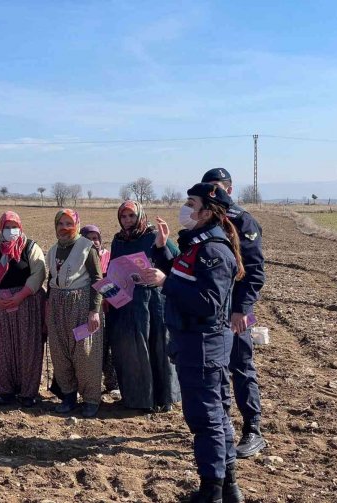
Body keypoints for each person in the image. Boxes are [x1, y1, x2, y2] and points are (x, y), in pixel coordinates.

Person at [140, 183, 245, 502]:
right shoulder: (198, 245)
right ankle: (228, 488)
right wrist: (161, 248)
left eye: (190, 203)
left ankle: (211, 490)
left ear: (207, 212)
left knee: (206, 419)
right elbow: (183, 275)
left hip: (203, 345)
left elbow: (208, 302)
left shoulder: (213, 249)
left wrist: (165, 283)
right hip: (197, 343)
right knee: (216, 415)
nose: (184, 207)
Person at [202, 168, 266, 458]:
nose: (214, 193)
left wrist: (243, 309)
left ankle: (253, 430)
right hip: (213, 309)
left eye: (218, 187)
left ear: (230, 188)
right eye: (209, 188)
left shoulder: (243, 221)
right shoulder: (205, 222)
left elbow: (254, 273)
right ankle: (223, 423)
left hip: (240, 310)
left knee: (242, 366)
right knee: (216, 368)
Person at [106, 201, 181, 412]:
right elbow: (113, 266)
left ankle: (164, 398)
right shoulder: (118, 240)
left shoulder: (151, 235)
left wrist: (163, 246)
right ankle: (139, 399)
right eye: (124, 216)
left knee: (158, 346)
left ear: (140, 216)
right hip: (127, 301)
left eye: (131, 216)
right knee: (132, 351)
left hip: (153, 300)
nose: (128, 220)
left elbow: (175, 261)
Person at [0, 211, 46, 407]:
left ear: (21, 227)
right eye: (6, 227)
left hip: (27, 302)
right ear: (1, 229)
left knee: (28, 347)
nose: (11, 231)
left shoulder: (31, 247)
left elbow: (38, 272)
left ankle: (28, 392)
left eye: (14, 226)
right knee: (2, 348)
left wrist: (21, 294)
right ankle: (6, 391)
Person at [46, 209, 103, 418]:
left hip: (81, 306)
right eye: (61, 223)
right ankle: (68, 396)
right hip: (57, 306)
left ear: (76, 225)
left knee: (85, 354)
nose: (64, 227)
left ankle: (90, 399)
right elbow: (51, 279)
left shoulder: (87, 248)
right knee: (60, 353)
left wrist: (94, 311)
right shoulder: (52, 250)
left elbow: (98, 280)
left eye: (69, 223)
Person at [79, 224, 117, 394]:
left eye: (95, 238)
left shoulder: (109, 257)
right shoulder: (78, 260)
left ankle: (112, 384)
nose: (93, 242)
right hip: (85, 310)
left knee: (108, 348)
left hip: (108, 309)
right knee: (89, 349)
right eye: (88, 239)